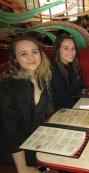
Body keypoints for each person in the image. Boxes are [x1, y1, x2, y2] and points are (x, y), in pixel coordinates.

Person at [0, 36, 54, 173]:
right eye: (24, 54)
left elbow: (47, 112)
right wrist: (22, 167)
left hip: (39, 141)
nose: (31, 57)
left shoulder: (42, 76)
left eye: (34, 52)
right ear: (15, 59)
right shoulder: (9, 85)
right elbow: (12, 130)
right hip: (17, 153)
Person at [51, 34, 84, 109]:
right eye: (66, 48)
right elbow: (61, 100)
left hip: (76, 104)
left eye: (73, 48)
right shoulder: (54, 70)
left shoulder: (73, 66)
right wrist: (83, 107)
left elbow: (80, 87)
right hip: (62, 111)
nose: (71, 52)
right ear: (58, 50)